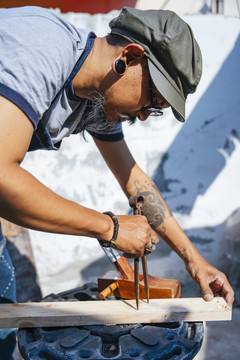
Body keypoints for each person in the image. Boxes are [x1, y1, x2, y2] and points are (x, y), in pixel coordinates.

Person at [0, 5, 234, 358]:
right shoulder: (40, 49)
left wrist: (194, 260)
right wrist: (109, 227)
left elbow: (136, 184)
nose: (144, 115)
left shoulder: (95, 99)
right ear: (131, 55)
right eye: (153, 101)